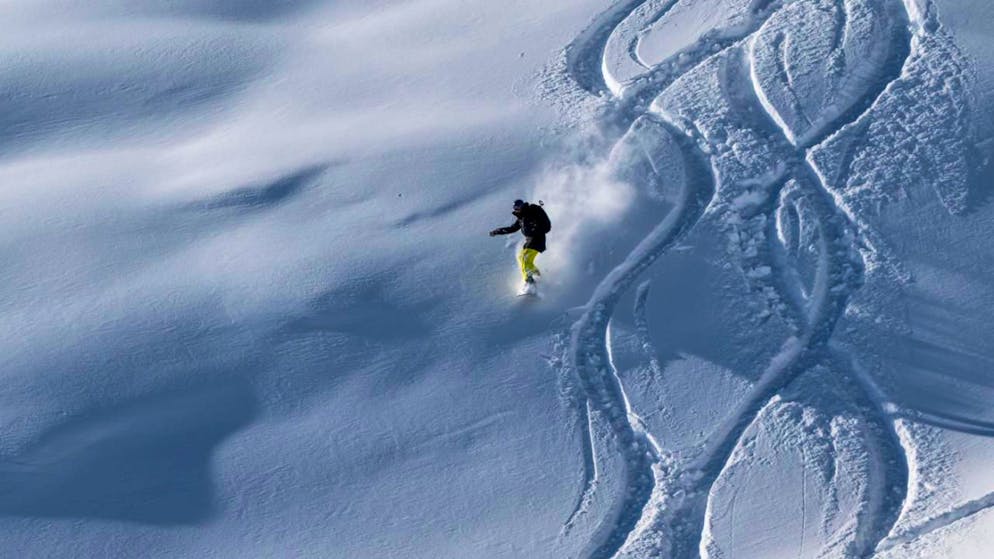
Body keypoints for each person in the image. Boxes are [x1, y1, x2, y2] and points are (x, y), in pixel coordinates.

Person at [489, 199, 551, 285]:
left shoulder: (532, 211)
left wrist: (536, 229)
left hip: (537, 239)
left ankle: (529, 282)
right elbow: (512, 228)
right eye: (514, 208)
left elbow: (547, 226)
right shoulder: (521, 218)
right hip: (529, 241)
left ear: (522, 206)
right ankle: (538, 275)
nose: (516, 209)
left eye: (517, 207)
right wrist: (497, 231)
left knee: (524, 258)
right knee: (522, 258)